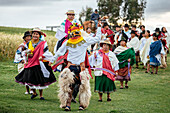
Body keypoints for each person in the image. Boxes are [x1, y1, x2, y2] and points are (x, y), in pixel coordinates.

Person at [50, 22, 102, 111]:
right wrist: (52, 60)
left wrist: (99, 29)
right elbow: (59, 52)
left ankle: (82, 104)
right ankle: (67, 104)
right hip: (70, 68)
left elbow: (97, 38)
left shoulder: (84, 40)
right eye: (75, 32)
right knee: (69, 87)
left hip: (81, 68)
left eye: (77, 32)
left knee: (83, 88)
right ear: (71, 33)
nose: (76, 34)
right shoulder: (67, 42)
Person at [15, 27, 56, 100]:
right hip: (31, 62)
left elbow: (47, 52)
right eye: (34, 34)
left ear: (39, 35)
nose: (35, 35)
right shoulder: (28, 43)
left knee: (40, 79)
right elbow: (24, 52)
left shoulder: (43, 43)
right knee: (30, 78)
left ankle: (41, 95)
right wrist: (28, 54)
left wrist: (43, 56)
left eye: (37, 34)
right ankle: (34, 92)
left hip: (39, 62)